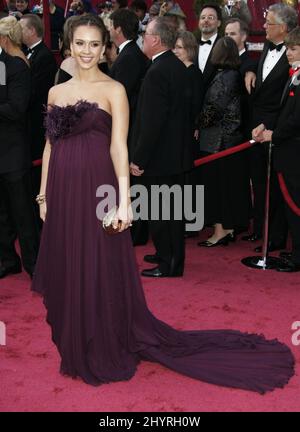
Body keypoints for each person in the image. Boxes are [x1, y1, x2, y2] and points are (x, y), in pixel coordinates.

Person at [32, 13, 295, 393]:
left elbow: (119, 148)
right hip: (62, 189)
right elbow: (50, 145)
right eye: (79, 44)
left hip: (96, 187)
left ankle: (102, 341)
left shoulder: (114, 90)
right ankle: (76, 340)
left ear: (103, 46)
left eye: (94, 44)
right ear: (68, 46)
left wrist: (124, 201)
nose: (86, 51)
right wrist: (43, 195)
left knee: (97, 262)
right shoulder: (57, 91)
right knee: (70, 262)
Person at [242, 3, 298, 248]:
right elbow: (253, 63)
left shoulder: (294, 55)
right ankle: (261, 229)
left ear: (284, 28)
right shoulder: (267, 44)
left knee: (278, 186)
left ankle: (276, 237)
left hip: (279, 130)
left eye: (269, 23)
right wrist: (249, 71)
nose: (263, 26)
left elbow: (288, 104)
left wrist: (270, 129)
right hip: (257, 126)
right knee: (259, 180)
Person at [253, 26, 300, 272]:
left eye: (293, 49)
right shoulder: (294, 74)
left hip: (294, 151)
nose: (288, 53)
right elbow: (284, 114)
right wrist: (267, 126)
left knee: (296, 204)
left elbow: (296, 120)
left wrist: (275, 134)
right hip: (287, 149)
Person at [197, 37, 250, 247]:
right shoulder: (229, 75)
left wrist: (194, 122)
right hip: (225, 141)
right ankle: (226, 228)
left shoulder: (225, 78)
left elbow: (213, 110)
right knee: (224, 187)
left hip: (219, 142)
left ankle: (220, 230)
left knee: (218, 188)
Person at [0, 39, 39, 279]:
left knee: (23, 213)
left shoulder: (15, 66)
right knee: (0, 214)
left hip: (12, 153)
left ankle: (35, 264)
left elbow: (16, 108)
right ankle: (7, 260)